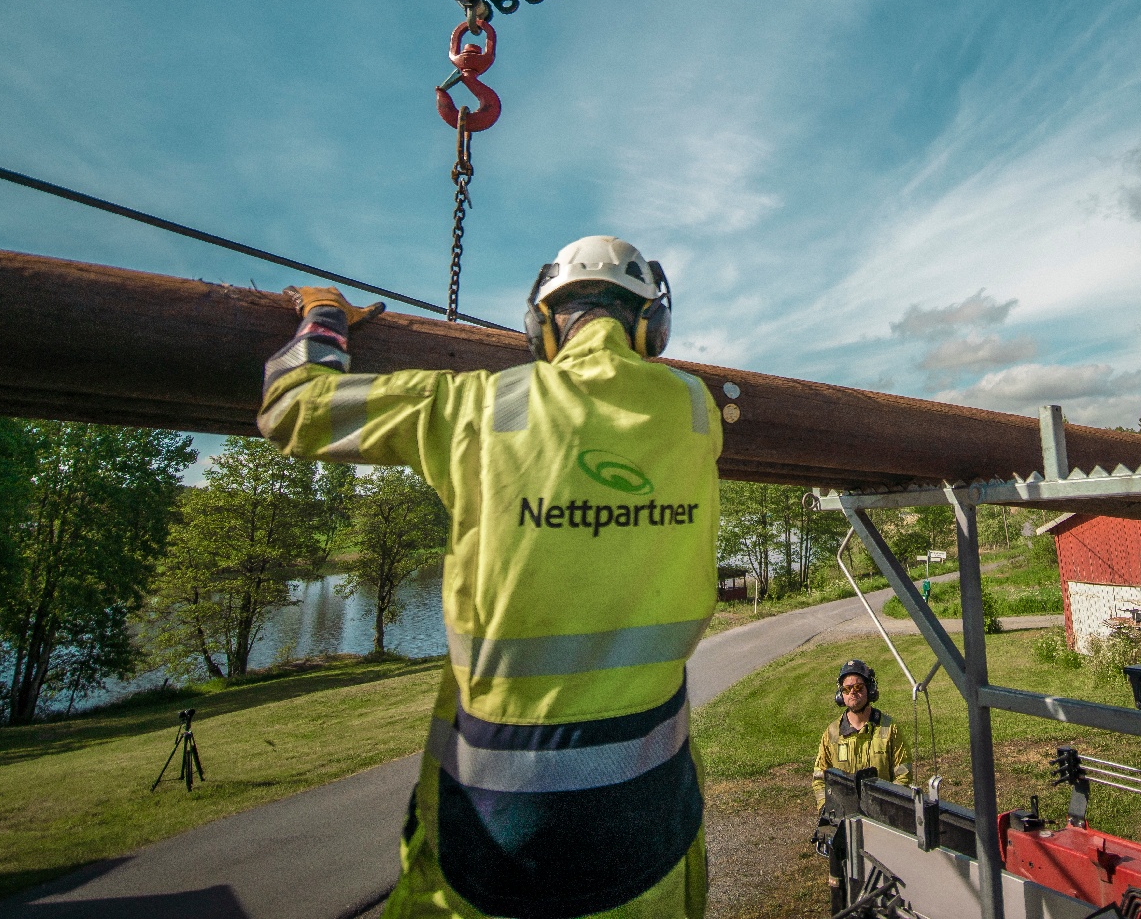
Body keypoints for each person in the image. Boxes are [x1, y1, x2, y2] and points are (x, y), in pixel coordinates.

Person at [257, 236, 721, 919]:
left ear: (541, 326)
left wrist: (323, 316)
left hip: (497, 844)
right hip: (652, 837)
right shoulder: (695, 410)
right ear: (652, 326)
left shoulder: (480, 406)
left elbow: (291, 407)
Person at [812, 660, 911, 915]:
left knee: (885, 891)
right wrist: (828, 812)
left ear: (870, 690)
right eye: (847, 689)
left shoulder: (890, 730)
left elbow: (904, 776)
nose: (852, 694)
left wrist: (889, 813)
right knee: (842, 889)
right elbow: (819, 778)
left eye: (858, 687)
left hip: (882, 824)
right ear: (840, 695)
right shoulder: (831, 734)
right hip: (844, 828)